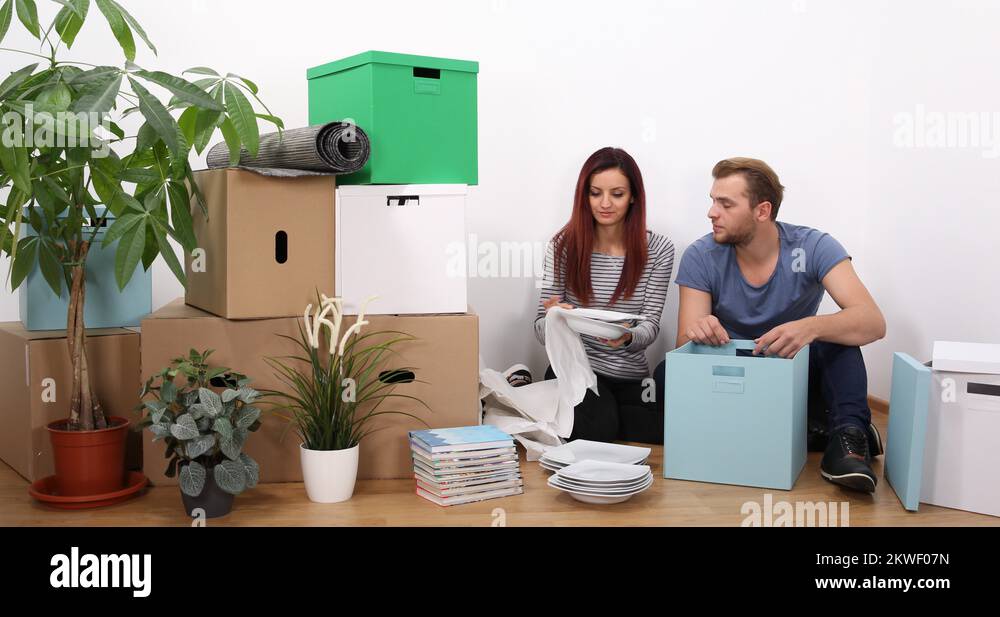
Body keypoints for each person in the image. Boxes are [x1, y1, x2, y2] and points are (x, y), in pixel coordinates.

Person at [675, 157, 887, 492]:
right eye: (713, 201)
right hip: (738, 378)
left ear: (762, 211)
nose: (711, 212)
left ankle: (849, 441)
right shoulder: (701, 255)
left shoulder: (814, 246)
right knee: (666, 376)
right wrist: (701, 331)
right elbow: (683, 350)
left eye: (725, 204)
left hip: (794, 372)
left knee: (837, 342)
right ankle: (822, 429)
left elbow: (873, 322)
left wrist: (810, 327)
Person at [534, 147, 674, 444]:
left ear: (633, 196)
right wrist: (554, 317)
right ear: (584, 196)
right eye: (595, 193)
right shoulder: (563, 246)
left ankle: (555, 411)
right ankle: (593, 417)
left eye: (617, 194)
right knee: (600, 428)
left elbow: (650, 326)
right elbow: (540, 330)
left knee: (666, 428)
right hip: (575, 368)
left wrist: (628, 337)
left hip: (629, 375)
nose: (605, 203)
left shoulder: (659, 249)